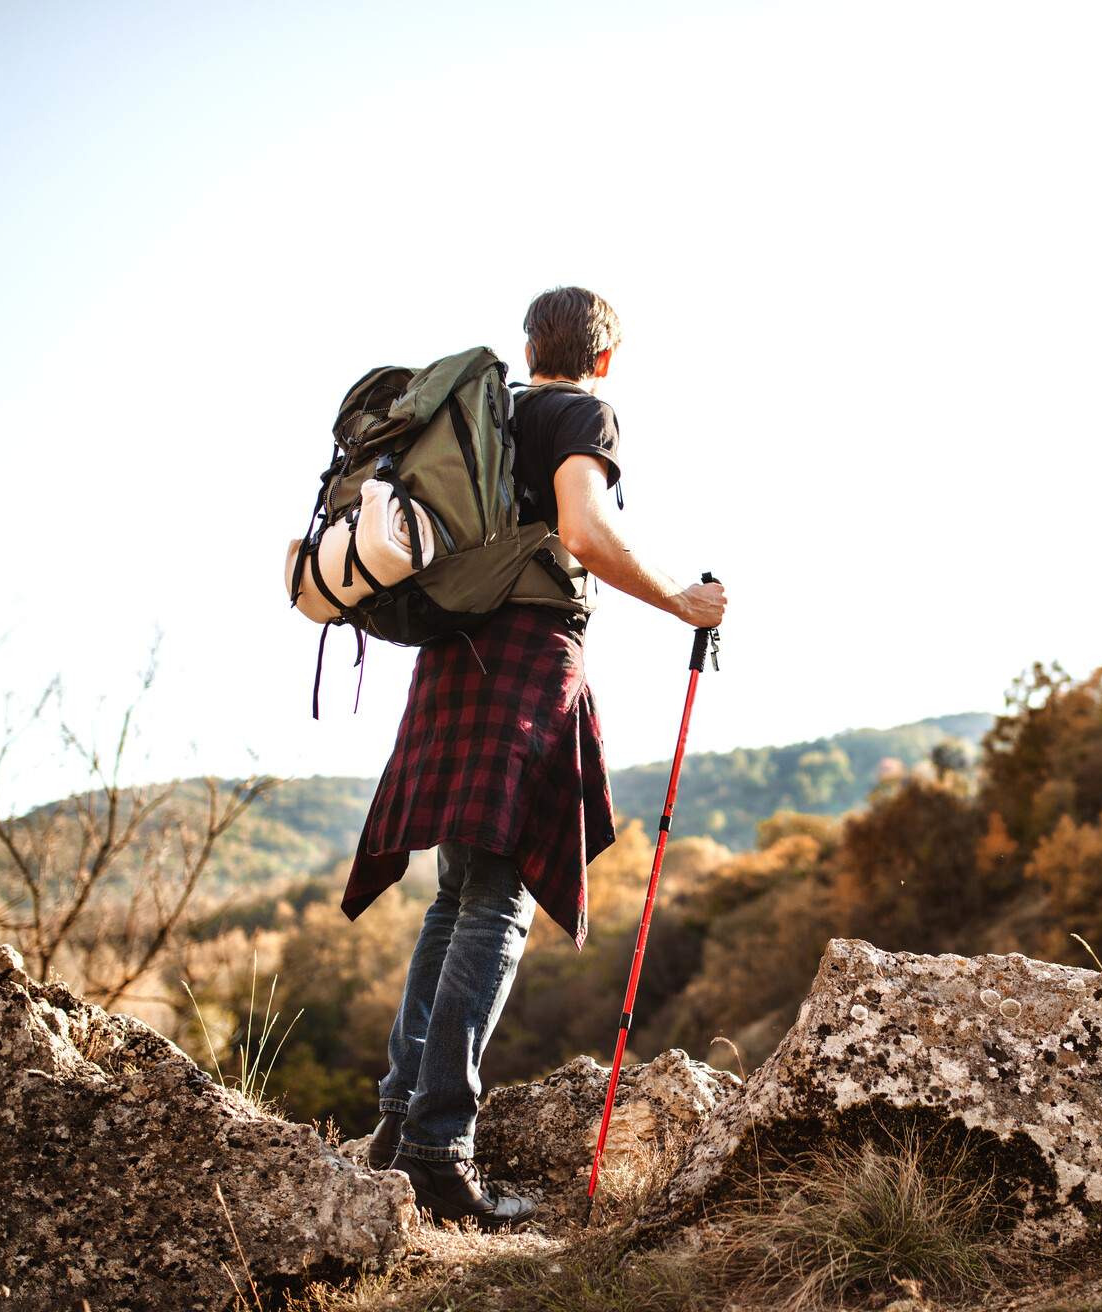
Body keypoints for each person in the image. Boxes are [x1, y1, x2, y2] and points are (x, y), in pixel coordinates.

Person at [340, 286, 727, 1227]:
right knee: (499, 897)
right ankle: (438, 1148)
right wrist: (682, 599)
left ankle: (399, 1121)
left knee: (457, 892)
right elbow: (586, 530)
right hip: (522, 662)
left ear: (527, 345)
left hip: (451, 659)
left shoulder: (488, 416)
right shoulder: (582, 413)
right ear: (603, 359)